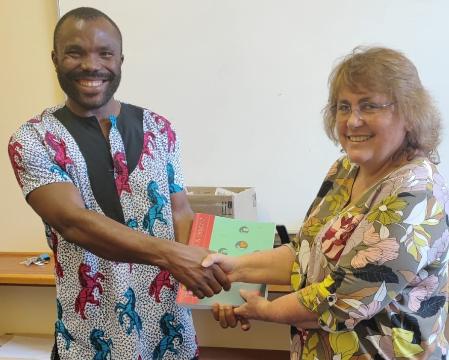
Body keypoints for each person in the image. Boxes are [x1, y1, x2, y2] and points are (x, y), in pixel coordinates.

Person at [7, 7, 230, 360]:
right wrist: (175, 257)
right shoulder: (33, 140)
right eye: (75, 52)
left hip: (170, 338)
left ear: (120, 59)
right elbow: (74, 222)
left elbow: (181, 214)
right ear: (55, 58)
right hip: (88, 340)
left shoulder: (160, 129)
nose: (90, 65)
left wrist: (219, 289)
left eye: (104, 53)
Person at [204, 47, 449, 359]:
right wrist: (234, 269)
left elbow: (341, 300)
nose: (352, 120)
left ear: (409, 114)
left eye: (369, 106)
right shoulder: (345, 170)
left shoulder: (417, 194)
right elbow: (305, 253)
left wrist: (264, 309)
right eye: (343, 107)